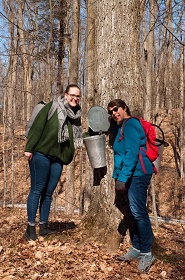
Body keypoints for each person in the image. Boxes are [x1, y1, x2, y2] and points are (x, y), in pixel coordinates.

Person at [24, 84, 82, 241]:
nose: (75, 98)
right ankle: (30, 229)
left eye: (78, 96)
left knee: (48, 193)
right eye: (72, 95)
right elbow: (38, 127)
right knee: (37, 189)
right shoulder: (52, 107)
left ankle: (43, 226)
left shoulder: (75, 115)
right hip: (41, 155)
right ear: (65, 94)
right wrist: (29, 148)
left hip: (58, 159)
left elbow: (76, 136)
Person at [107, 99, 155, 273]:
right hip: (130, 174)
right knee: (133, 212)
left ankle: (147, 253)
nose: (114, 113)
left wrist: (123, 177)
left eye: (116, 109)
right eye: (111, 112)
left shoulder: (131, 125)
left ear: (125, 108)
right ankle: (136, 248)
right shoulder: (120, 127)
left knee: (139, 212)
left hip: (138, 173)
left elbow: (132, 153)